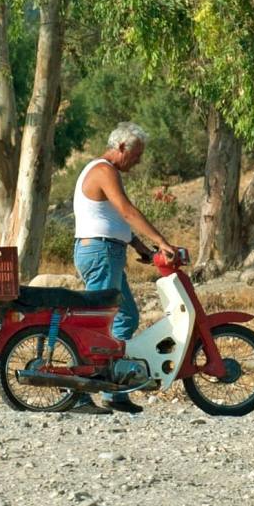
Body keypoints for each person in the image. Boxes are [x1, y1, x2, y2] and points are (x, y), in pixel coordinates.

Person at [73, 121, 176, 413]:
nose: (139, 160)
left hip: (107, 250)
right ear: (120, 147)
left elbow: (113, 220)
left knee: (126, 316)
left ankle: (113, 390)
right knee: (98, 323)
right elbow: (127, 212)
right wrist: (161, 241)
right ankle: (79, 390)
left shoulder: (105, 171)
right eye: (137, 153)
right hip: (101, 251)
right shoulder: (104, 170)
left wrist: (142, 248)